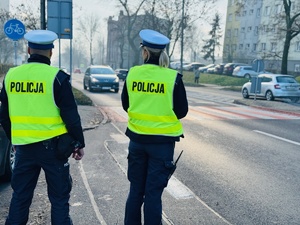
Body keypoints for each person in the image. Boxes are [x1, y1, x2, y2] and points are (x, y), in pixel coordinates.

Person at [0, 29, 85, 225]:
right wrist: (78, 143)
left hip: (23, 149)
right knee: (59, 200)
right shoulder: (58, 78)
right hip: (54, 150)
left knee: (20, 198)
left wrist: (15, 139)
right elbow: (71, 117)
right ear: (51, 52)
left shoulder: (11, 76)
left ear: (29, 50)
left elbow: (4, 115)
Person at [121, 29, 188, 225]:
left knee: (136, 190)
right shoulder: (173, 78)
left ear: (145, 52)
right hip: (162, 144)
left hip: (137, 141)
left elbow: (126, 104)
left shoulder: (132, 74)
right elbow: (182, 111)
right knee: (153, 194)